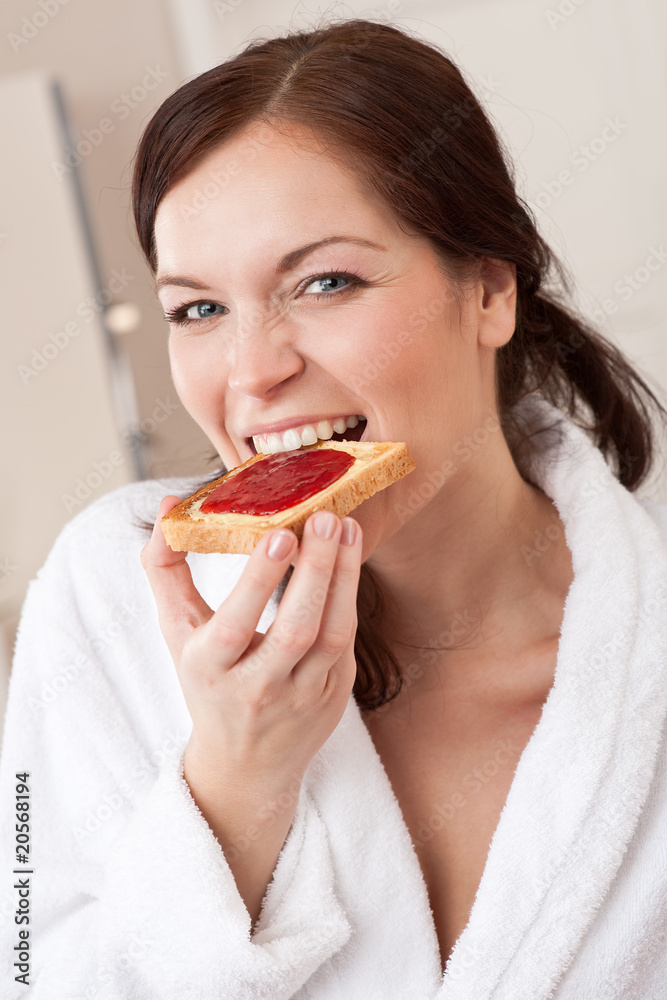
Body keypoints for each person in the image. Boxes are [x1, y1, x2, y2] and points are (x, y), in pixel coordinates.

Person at [2, 17, 667, 1000]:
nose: (253, 373)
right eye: (198, 308)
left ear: (488, 290)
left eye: (325, 281)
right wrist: (230, 789)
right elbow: (22, 966)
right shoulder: (101, 603)